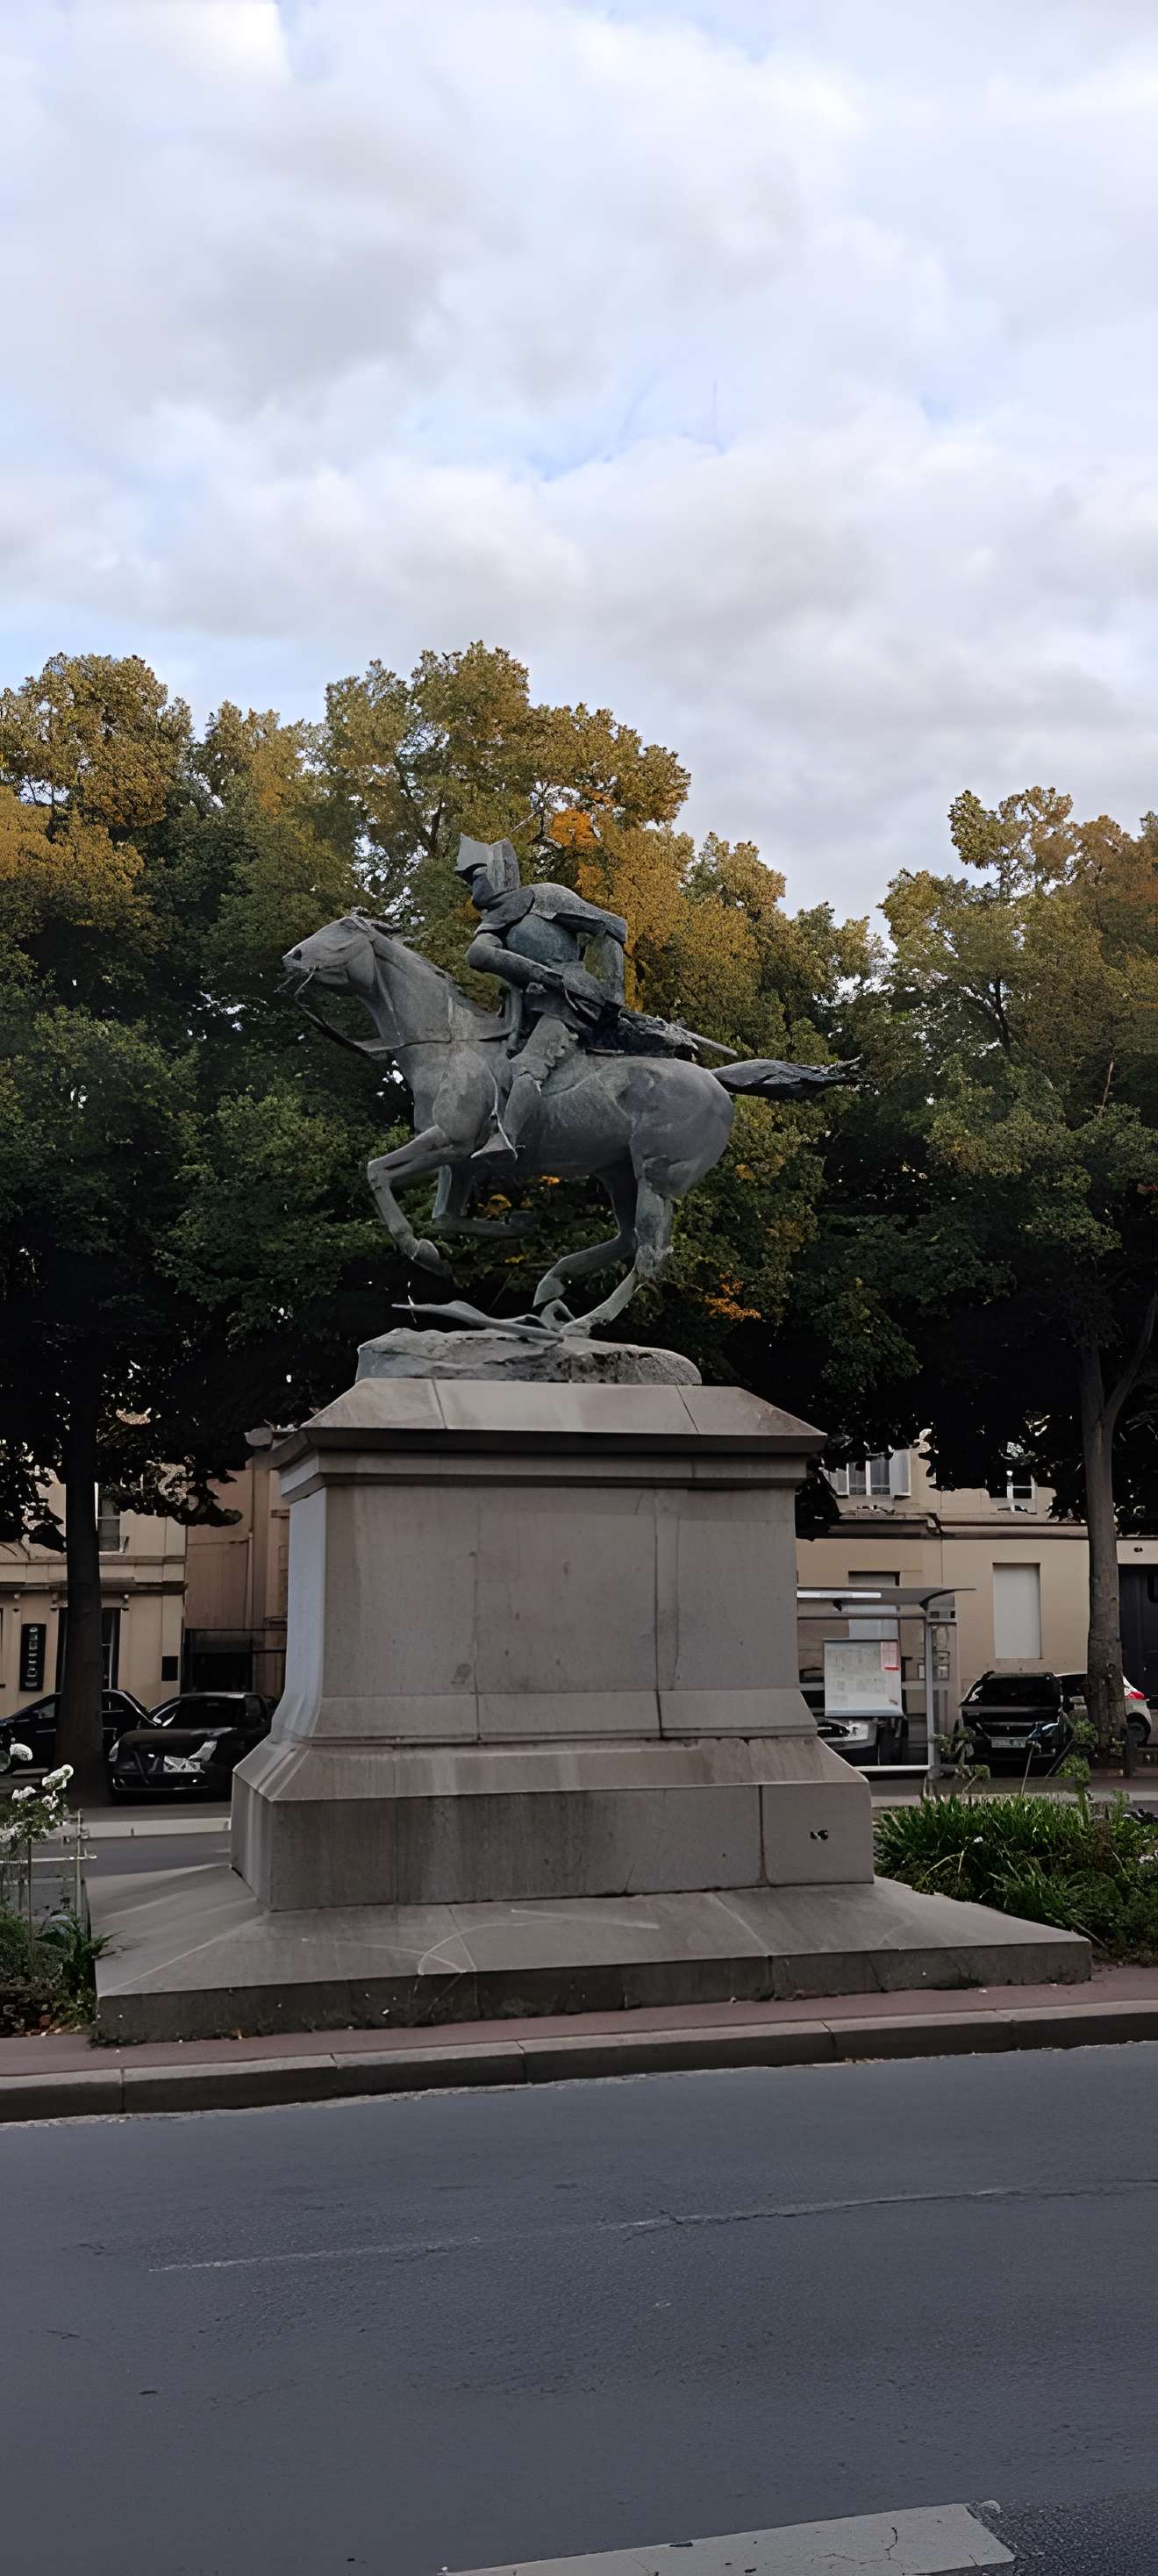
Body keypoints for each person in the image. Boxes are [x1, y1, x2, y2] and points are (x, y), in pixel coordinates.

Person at [454, 835, 630, 1168]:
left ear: (496, 871)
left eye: (474, 878)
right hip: (528, 1004)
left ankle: (505, 1138)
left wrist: (612, 992)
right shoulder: (493, 919)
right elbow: (478, 955)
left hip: (568, 1000)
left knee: (529, 1066)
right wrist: (538, 974)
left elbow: (612, 926)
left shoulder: (545, 897)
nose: (472, 890)